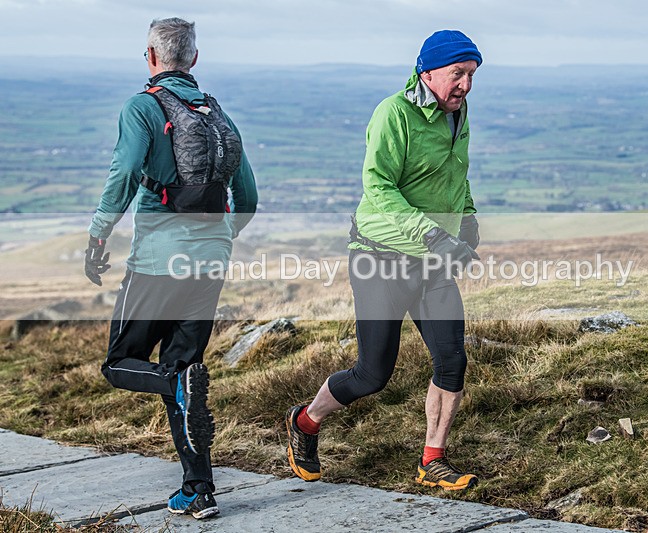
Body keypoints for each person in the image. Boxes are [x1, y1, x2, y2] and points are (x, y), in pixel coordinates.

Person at [285, 30, 482, 491]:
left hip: (432, 262)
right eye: (458, 75)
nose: (466, 86)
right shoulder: (394, 114)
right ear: (427, 72)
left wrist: (468, 220)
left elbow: (456, 175)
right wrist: (432, 233)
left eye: (472, 76)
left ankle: (432, 460)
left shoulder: (458, 113)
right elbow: (379, 189)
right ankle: (306, 422)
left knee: (452, 361)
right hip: (382, 257)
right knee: (373, 374)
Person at [85, 18, 257, 519]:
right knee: (179, 370)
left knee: (120, 363)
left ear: (150, 58)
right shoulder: (217, 115)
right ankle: (198, 491)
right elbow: (246, 198)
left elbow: (122, 174)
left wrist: (99, 233)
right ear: (194, 60)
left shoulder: (142, 107)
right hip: (209, 266)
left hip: (157, 263)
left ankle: (177, 389)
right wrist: (216, 242)